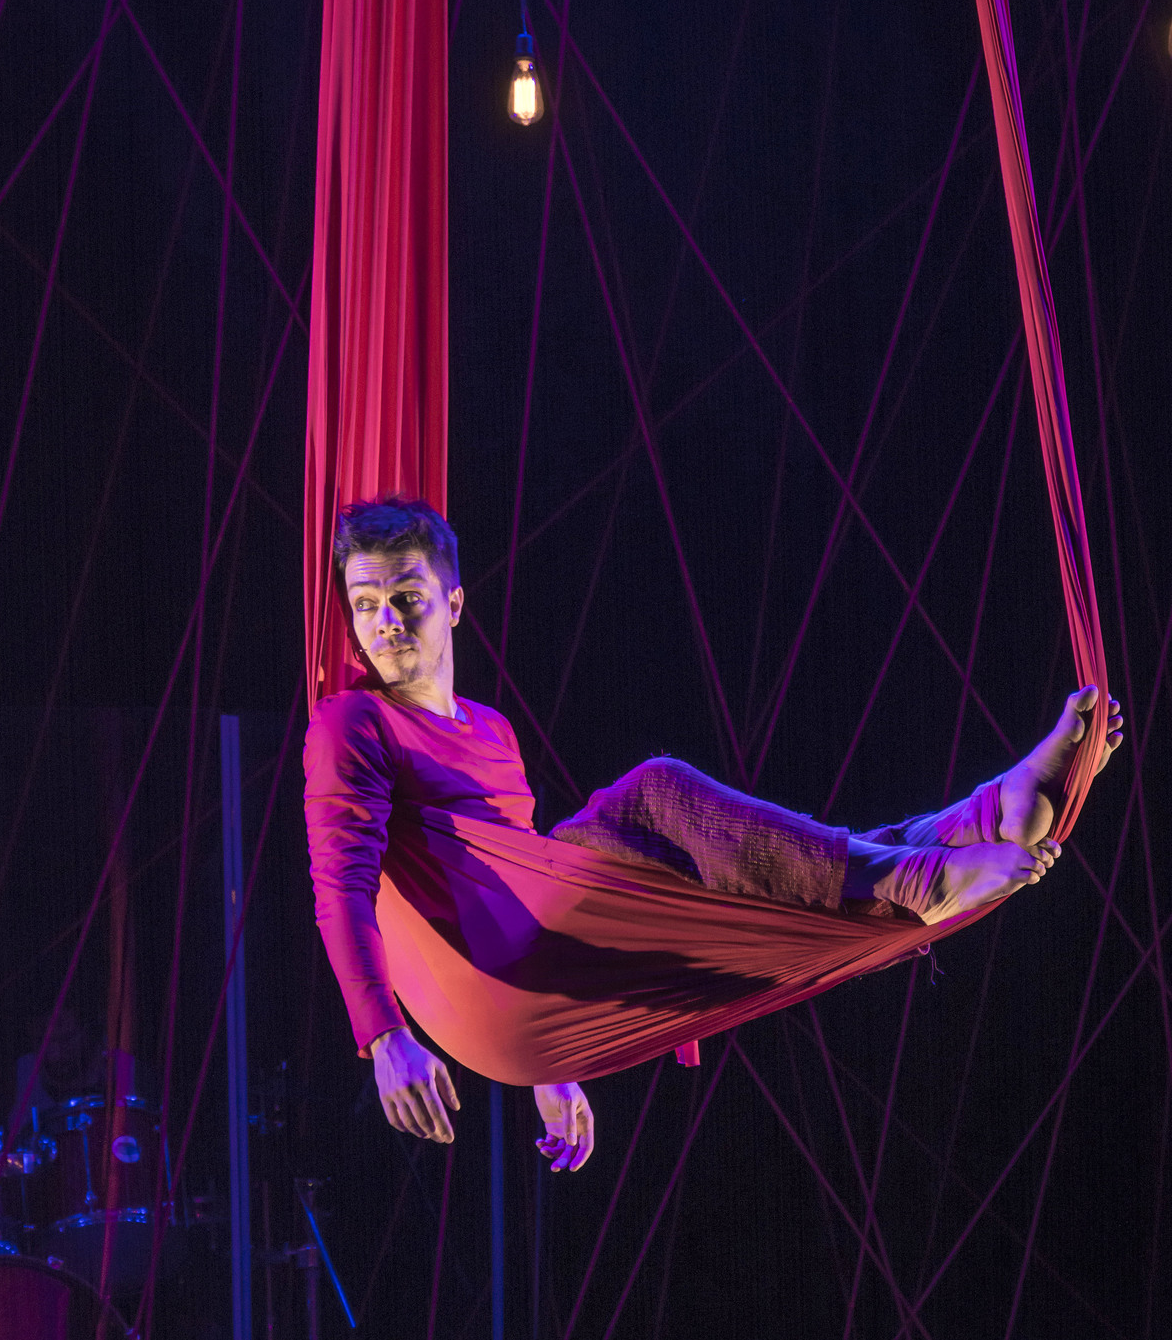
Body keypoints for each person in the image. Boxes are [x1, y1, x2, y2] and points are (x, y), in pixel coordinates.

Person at [304, 498, 1122, 1174]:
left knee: (739, 871)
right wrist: (384, 1034)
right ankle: (926, 871)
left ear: (452, 603)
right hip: (486, 984)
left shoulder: (491, 730)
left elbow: (513, 868)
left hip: (540, 951)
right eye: (365, 604)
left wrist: (552, 1068)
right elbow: (343, 881)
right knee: (658, 792)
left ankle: (978, 818)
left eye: (405, 597)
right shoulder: (353, 723)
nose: (385, 623)